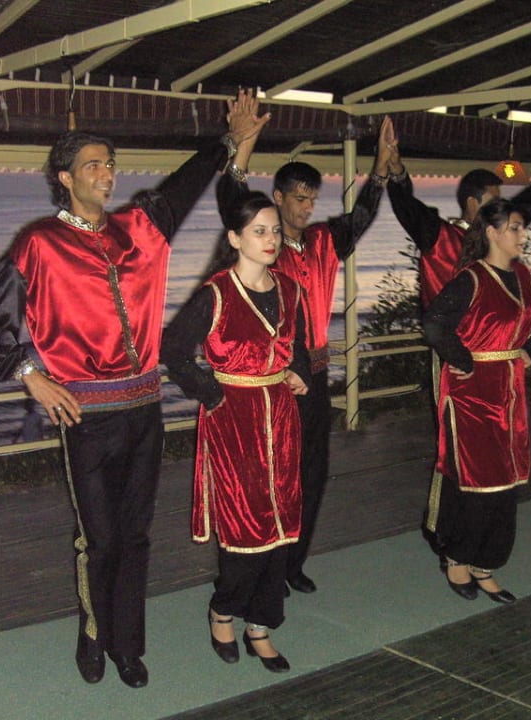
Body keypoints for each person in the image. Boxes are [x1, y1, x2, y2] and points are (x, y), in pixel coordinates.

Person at [0, 91, 268, 688]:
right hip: (86, 415)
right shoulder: (39, 243)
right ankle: (93, 632)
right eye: (93, 165)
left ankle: (128, 646)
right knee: (99, 540)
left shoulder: (142, 227)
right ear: (65, 178)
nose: (107, 174)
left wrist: (230, 141)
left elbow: (186, 184)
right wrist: (31, 375)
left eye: (110, 164)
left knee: (135, 536)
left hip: (144, 408)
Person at [215, 111, 398, 596]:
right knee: (273, 476)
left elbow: (362, 215)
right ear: (278, 198)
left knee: (313, 474)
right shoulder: (263, 249)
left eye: (312, 199)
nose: (306, 207)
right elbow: (232, 200)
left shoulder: (323, 242)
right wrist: (242, 148)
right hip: (274, 380)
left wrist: (380, 167)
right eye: (298, 198)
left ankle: (293, 562)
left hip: (314, 376)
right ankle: (263, 565)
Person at [161, 191, 309, 674]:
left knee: (280, 525)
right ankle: (223, 610)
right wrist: (211, 392)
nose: (271, 239)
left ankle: (261, 625)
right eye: (258, 231)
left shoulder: (290, 290)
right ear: (235, 238)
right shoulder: (217, 294)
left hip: (281, 416)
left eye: (275, 231)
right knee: (246, 526)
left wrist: (295, 371)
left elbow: (296, 346)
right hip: (234, 419)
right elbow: (173, 350)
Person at [422, 198, 531, 604]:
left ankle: (486, 563)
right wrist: (463, 360)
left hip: (509, 390)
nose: (522, 234)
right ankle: (457, 556)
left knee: (507, 482)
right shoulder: (471, 279)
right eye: (514, 227)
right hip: (472, 395)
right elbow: (435, 324)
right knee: (476, 481)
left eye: (522, 227)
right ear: (492, 232)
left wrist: (530, 350)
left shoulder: (524, 276)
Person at [385, 138, 531, 309]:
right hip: (450, 327)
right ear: (472, 204)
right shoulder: (440, 237)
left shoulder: (497, 235)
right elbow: (406, 206)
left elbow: (529, 202)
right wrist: (397, 170)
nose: (497, 209)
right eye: (493, 202)